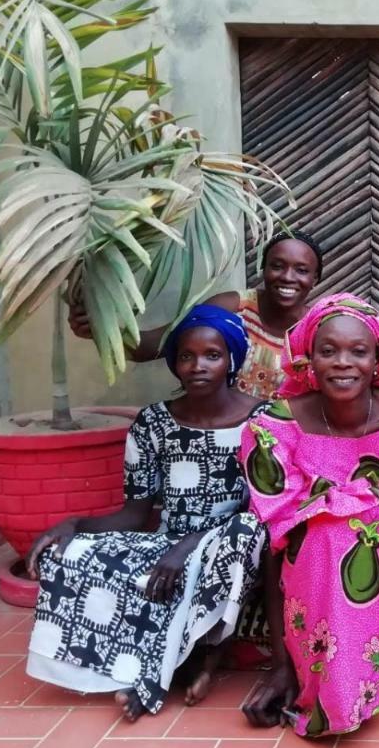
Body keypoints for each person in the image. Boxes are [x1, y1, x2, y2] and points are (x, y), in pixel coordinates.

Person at [25, 306, 266, 721]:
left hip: (234, 540)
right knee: (70, 553)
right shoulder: (153, 422)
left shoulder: (262, 420)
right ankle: (174, 664)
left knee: (242, 531)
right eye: (186, 356)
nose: (198, 366)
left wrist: (191, 546)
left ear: (232, 359)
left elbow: (261, 507)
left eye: (212, 355)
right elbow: (135, 514)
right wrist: (75, 526)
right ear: (174, 362)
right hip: (169, 541)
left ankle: (189, 665)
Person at [238, 294, 379, 737]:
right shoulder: (274, 428)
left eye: (358, 351)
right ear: (307, 359)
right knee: (324, 533)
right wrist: (279, 666)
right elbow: (277, 542)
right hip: (310, 588)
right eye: (328, 350)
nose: (342, 363)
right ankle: (316, 671)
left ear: (378, 359)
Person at [69, 229, 324, 400]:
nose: (288, 277)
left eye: (301, 270)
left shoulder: (320, 327)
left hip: (284, 452)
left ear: (315, 279)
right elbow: (156, 346)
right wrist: (102, 328)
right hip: (220, 437)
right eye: (277, 266)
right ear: (264, 269)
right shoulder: (233, 308)